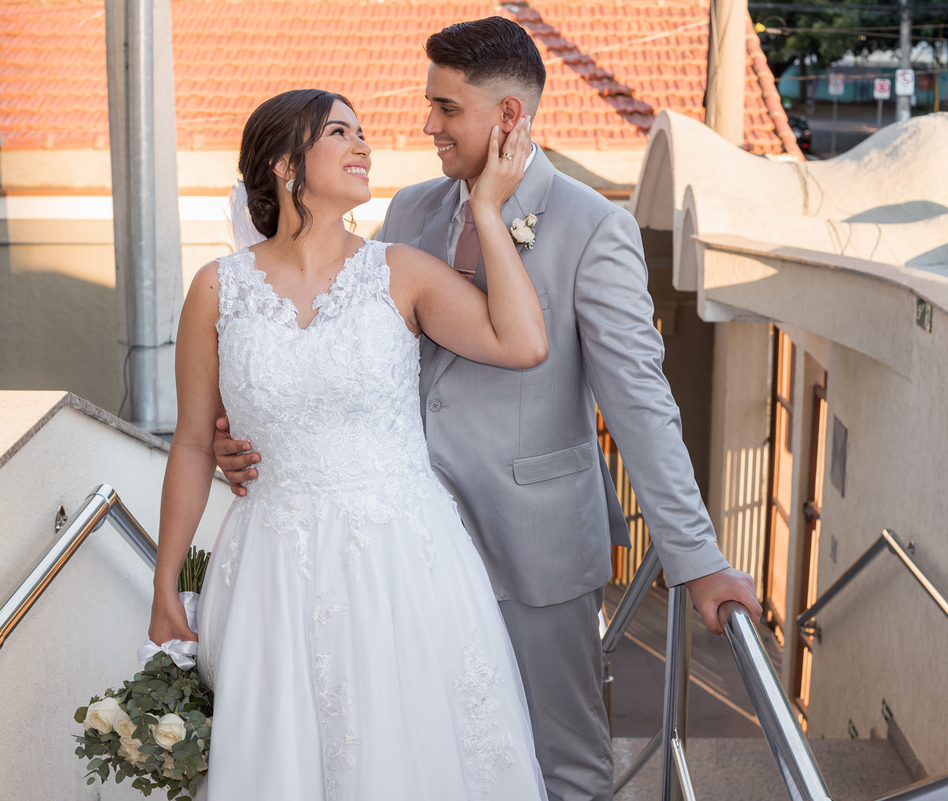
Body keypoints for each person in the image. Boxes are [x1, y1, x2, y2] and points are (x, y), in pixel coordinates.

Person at [212, 18, 763, 801]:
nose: (426, 124)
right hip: (398, 558)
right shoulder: (408, 212)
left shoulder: (591, 228)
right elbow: (338, 342)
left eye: (446, 108)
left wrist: (697, 558)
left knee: (562, 762)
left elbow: (642, 404)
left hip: (529, 546)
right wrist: (235, 429)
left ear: (508, 118)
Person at [149, 88, 550, 799]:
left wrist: (488, 208)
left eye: (363, 133)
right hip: (271, 563)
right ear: (284, 163)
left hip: (399, 562)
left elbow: (520, 341)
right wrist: (165, 584)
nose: (364, 145)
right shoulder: (217, 289)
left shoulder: (402, 272)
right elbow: (189, 442)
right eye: (341, 132)